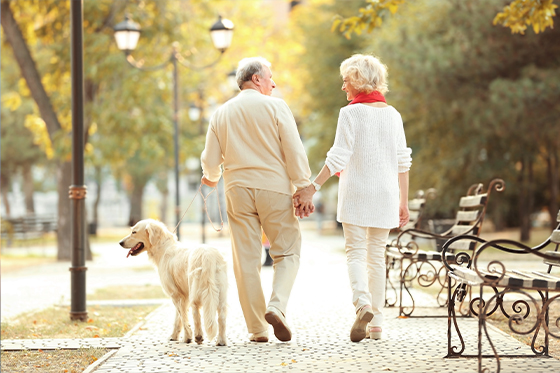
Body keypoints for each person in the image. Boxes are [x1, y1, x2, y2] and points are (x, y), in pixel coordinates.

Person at [293, 54, 412, 342]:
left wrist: (313, 186)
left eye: (346, 81)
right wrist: (403, 202)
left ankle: (363, 304)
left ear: (358, 80)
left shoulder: (350, 114)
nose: (343, 87)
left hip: (357, 192)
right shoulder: (393, 115)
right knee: (377, 257)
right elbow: (403, 161)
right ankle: (377, 325)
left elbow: (338, 157)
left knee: (356, 253)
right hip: (385, 194)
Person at [200, 57, 313, 343]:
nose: (273, 83)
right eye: (270, 77)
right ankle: (276, 306)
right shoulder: (276, 106)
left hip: (237, 190)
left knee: (246, 261)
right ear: (256, 79)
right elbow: (294, 150)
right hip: (273, 188)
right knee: (287, 251)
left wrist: (211, 177)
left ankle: (257, 330)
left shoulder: (221, 113)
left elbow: (211, 160)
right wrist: (303, 187)